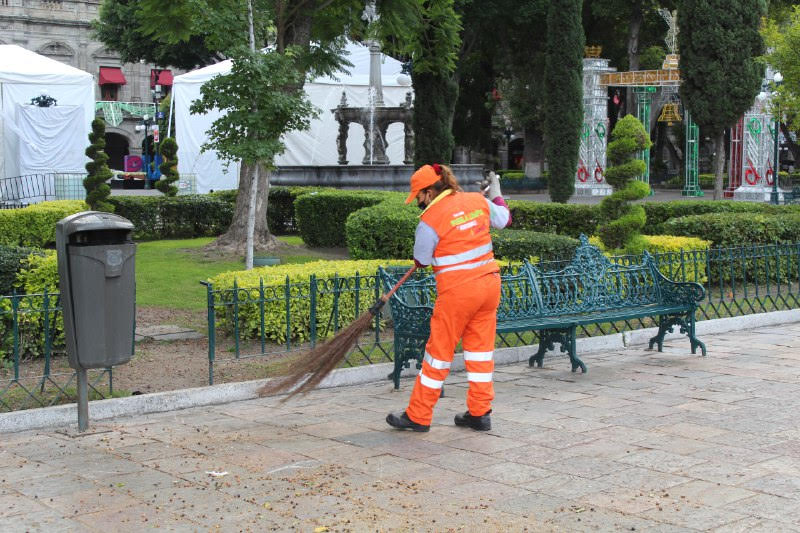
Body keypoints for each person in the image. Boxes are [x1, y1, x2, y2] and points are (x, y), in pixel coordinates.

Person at [386, 165, 511, 432]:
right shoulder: (477, 201)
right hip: (489, 287)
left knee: (437, 355)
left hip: (458, 293)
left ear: (430, 192)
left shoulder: (430, 220)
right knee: (480, 352)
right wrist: (497, 195)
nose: (417, 202)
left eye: (418, 196)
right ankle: (479, 413)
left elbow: (422, 259)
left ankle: (418, 416)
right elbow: (504, 219)